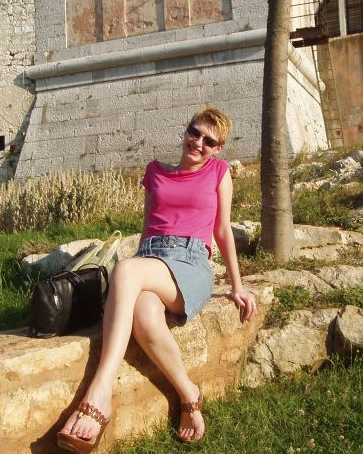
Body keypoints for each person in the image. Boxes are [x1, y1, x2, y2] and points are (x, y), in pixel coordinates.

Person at [57, 106, 256, 453]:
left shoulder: (218, 172)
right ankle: (189, 395)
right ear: (186, 131)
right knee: (144, 315)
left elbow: (223, 231)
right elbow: (148, 226)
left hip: (191, 264)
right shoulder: (155, 172)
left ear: (218, 149)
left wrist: (237, 286)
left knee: (125, 269)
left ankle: (99, 393)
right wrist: (132, 285)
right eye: (195, 132)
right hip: (153, 258)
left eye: (209, 141)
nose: (198, 143)